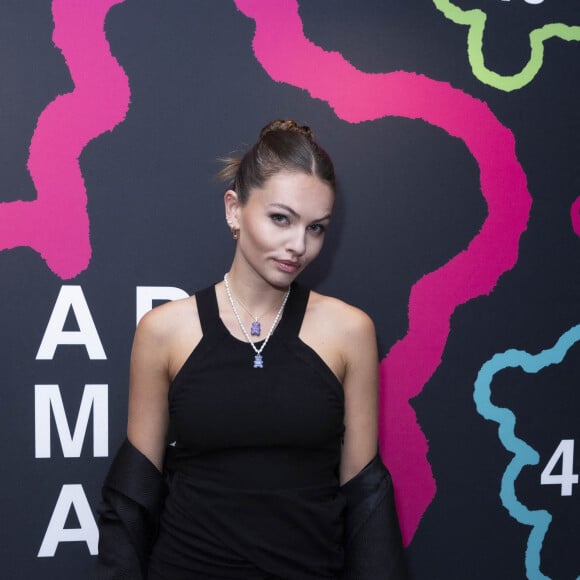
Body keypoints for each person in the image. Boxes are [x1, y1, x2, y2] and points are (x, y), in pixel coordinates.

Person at [97, 120, 407, 579]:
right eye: (281, 218)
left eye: (316, 228)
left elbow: (365, 500)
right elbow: (133, 495)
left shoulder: (350, 331)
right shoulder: (164, 330)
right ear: (234, 210)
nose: (297, 246)